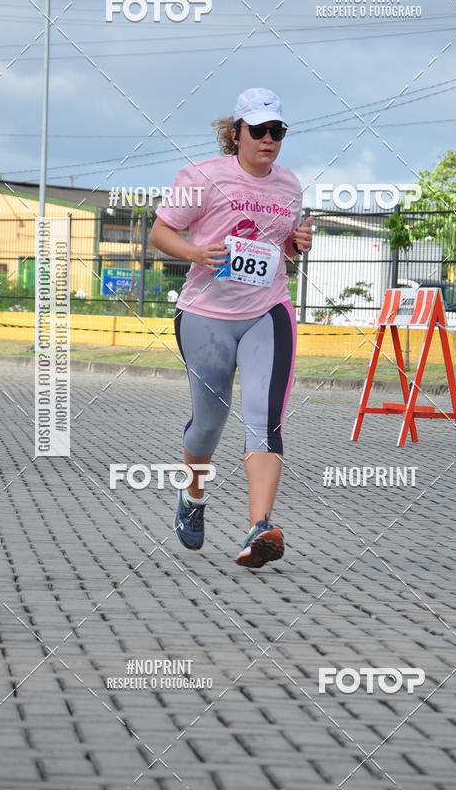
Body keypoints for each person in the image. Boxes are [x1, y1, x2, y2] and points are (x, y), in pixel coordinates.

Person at [149, 87, 312, 568]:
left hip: (268, 311)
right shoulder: (201, 176)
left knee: (264, 417)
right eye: (258, 130)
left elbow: (283, 254)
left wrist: (296, 245)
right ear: (235, 132)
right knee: (208, 425)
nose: (268, 139)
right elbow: (159, 232)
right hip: (205, 316)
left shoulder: (290, 186)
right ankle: (193, 496)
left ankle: (260, 527)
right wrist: (197, 253)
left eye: (276, 131)